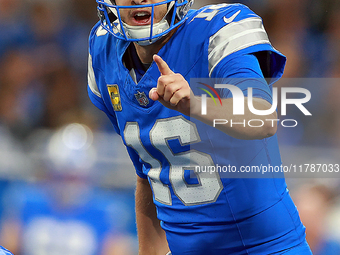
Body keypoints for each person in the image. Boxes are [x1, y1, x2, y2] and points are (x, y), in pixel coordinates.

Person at [87, 0, 312, 254]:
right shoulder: (102, 49)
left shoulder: (219, 29)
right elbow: (147, 174)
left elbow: (263, 119)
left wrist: (195, 105)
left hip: (265, 248)